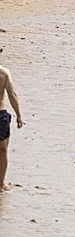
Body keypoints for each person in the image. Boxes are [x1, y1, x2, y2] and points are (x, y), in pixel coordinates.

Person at [0, 59, 23, 189]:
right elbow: (12, 94)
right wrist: (18, 115)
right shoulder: (4, 73)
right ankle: (1, 183)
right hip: (0, 114)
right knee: (2, 150)